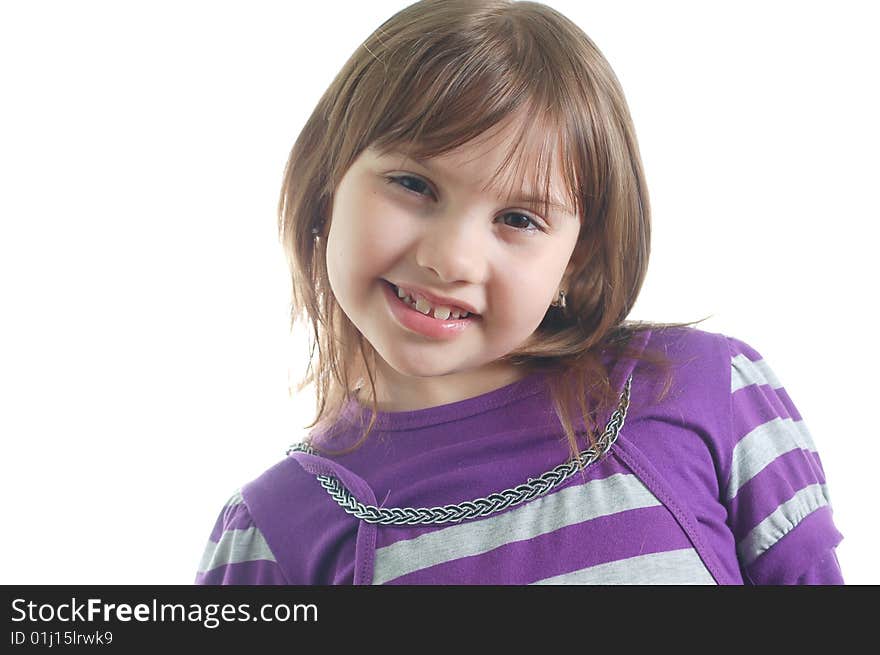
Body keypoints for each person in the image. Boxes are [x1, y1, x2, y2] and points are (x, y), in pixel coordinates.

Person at [194, 0, 844, 585]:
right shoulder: (272, 536)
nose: (449, 258)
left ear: (576, 260)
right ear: (328, 179)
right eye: (414, 185)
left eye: (519, 219)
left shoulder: (708, 392)